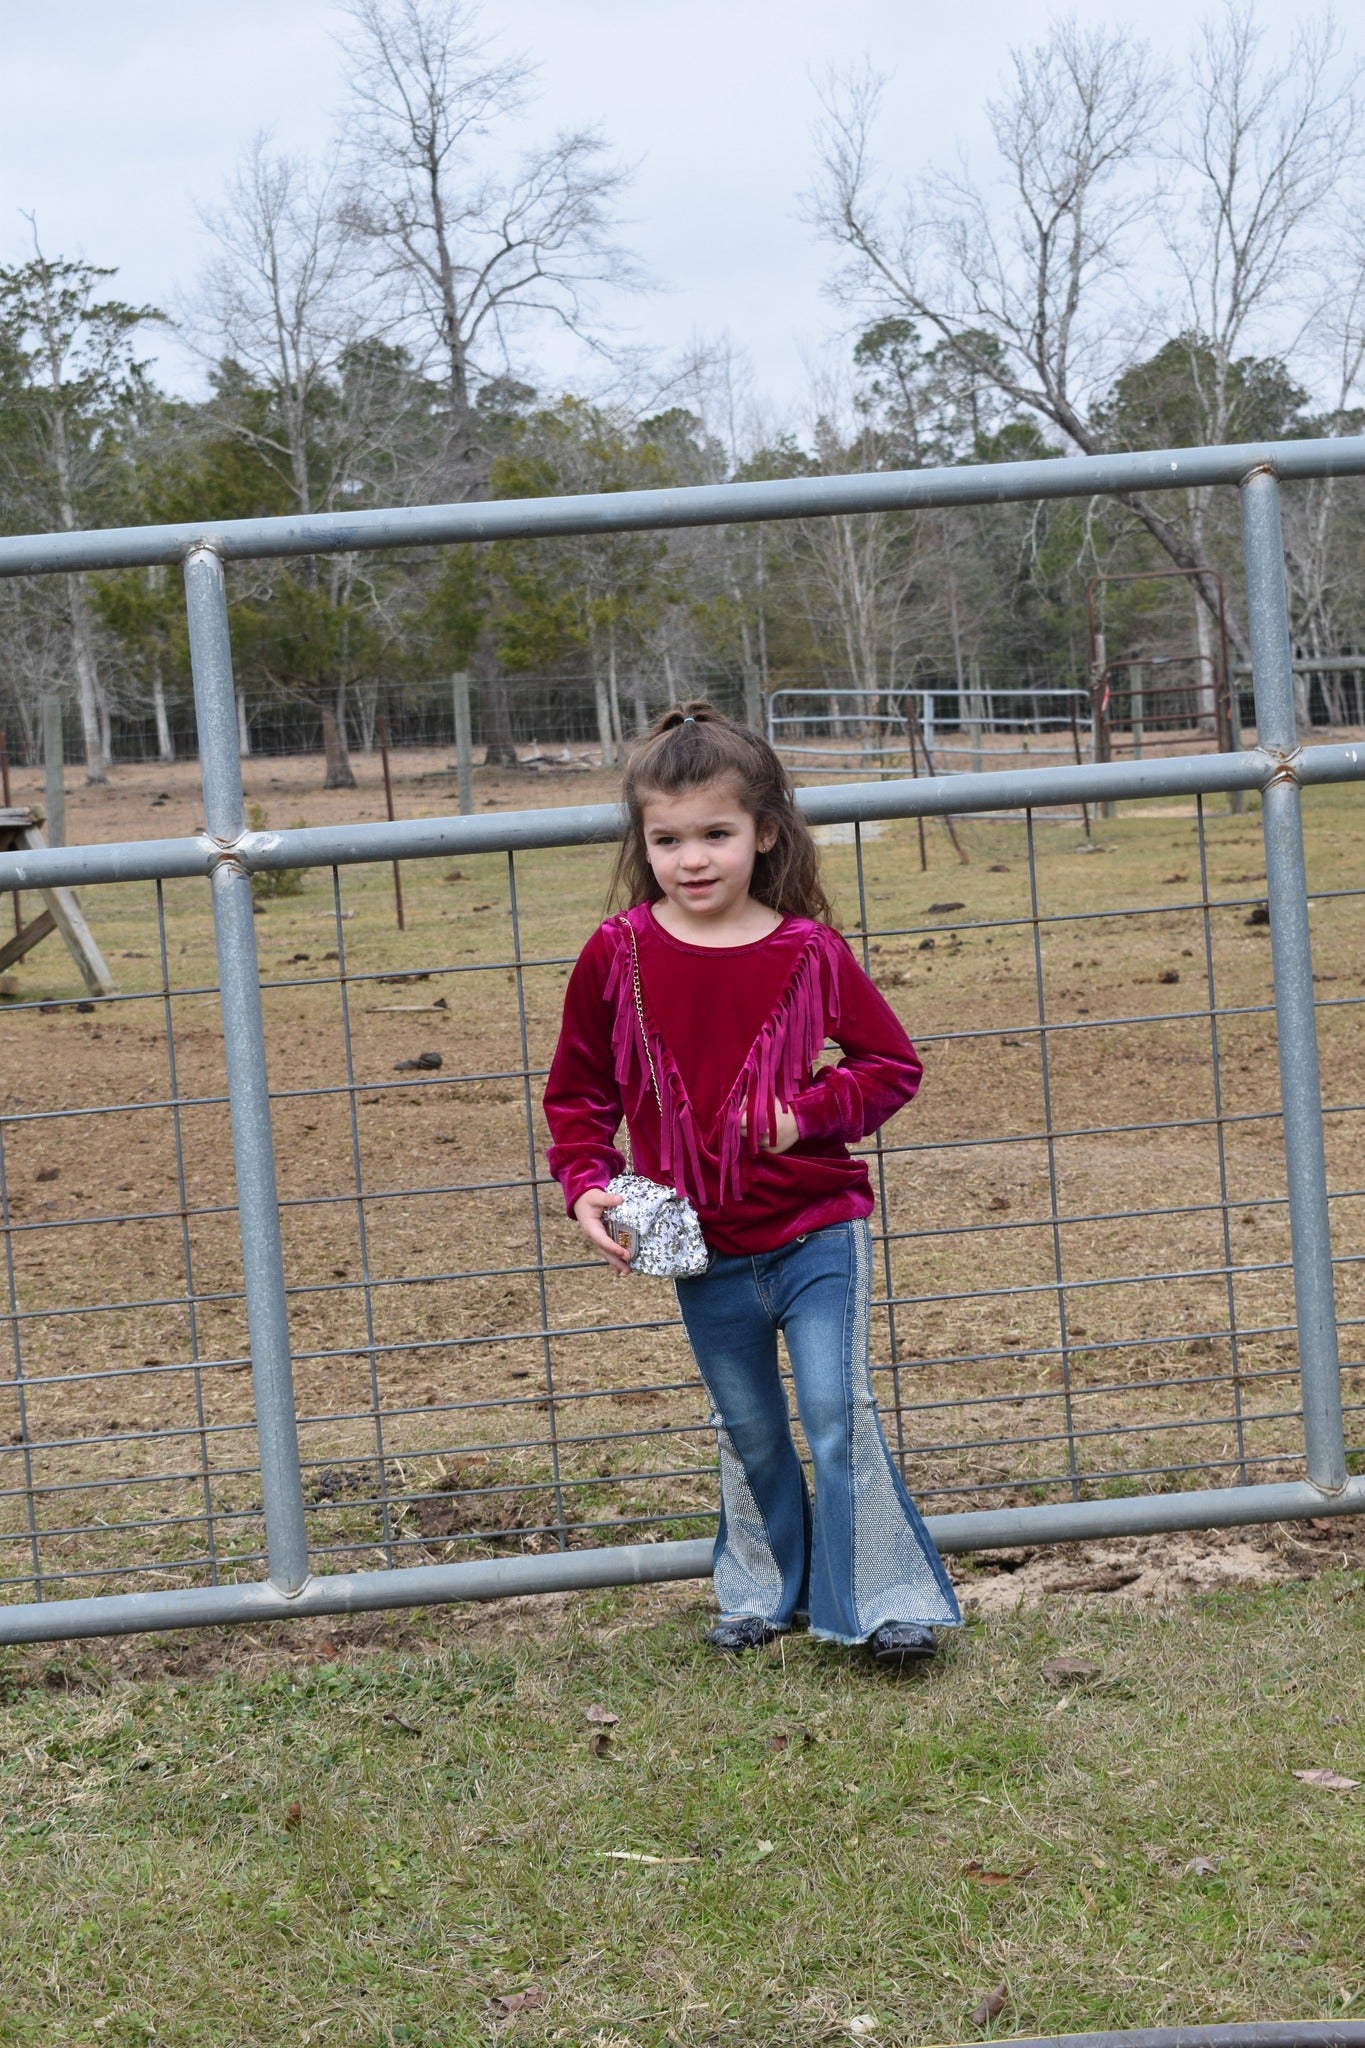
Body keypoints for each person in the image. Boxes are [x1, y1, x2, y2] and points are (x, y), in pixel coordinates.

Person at [543, 701, 959, 1665]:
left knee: (836, 1414)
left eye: (716, 835)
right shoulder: (617, 953)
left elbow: (889, 1067)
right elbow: (578, 1090)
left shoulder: (808, 952)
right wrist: (587, 1181)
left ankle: (887, 1603)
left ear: (764, 833)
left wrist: (802, 1115)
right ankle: (763, 1593)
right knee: (751, 1429)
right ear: (643, 843)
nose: (692, 860)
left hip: (816, 1232)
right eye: (667, 840)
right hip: (704, 1249)